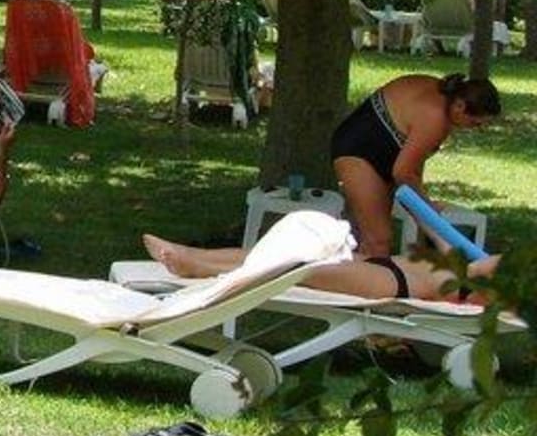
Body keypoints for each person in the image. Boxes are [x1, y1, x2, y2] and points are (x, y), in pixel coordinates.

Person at [329, 73, 502, 258]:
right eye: (475, 123)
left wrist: (422, 206)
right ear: (460, 106)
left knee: (374, 239)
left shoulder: (446, 103)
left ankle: (360, 270)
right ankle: (331, 270)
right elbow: (403, 172)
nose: (475, 129)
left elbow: (413, 165)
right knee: (378, 240)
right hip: (358, 150)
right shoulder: (436, 117)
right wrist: (427, 209)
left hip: (386, 154)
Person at [143, 232, 498, 305]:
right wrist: (435, 227)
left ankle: (199, 267)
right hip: (393, 267)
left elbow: (471, 275)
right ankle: (193, 253)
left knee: (299, 266)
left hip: (395, 281)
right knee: (285, 251)